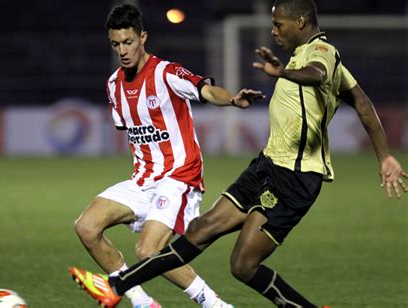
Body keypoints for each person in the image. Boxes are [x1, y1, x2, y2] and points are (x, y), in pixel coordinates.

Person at [70, 0, 408, 307]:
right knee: (201, 229)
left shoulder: (322, 53)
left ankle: (120, 287)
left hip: (295, 176)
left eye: (279, 24)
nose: (273, 30)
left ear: (301, 23)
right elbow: (362, 102)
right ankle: (118, 288)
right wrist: (385, 156)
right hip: (265, 164)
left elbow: (316, 74)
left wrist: (281, 74)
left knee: (242, 265)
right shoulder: (304, 58)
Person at [68, 4, 263, 308]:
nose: (122, 50)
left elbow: (206, 90)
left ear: (143, 37)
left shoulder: (167, 73)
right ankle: (141, 301)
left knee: (147, 251)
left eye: (128, 42)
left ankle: (216, 305)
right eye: (116, 44)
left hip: (179, 178)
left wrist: (234, 100)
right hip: (143, 179)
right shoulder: (113, 85)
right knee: (86, 226)